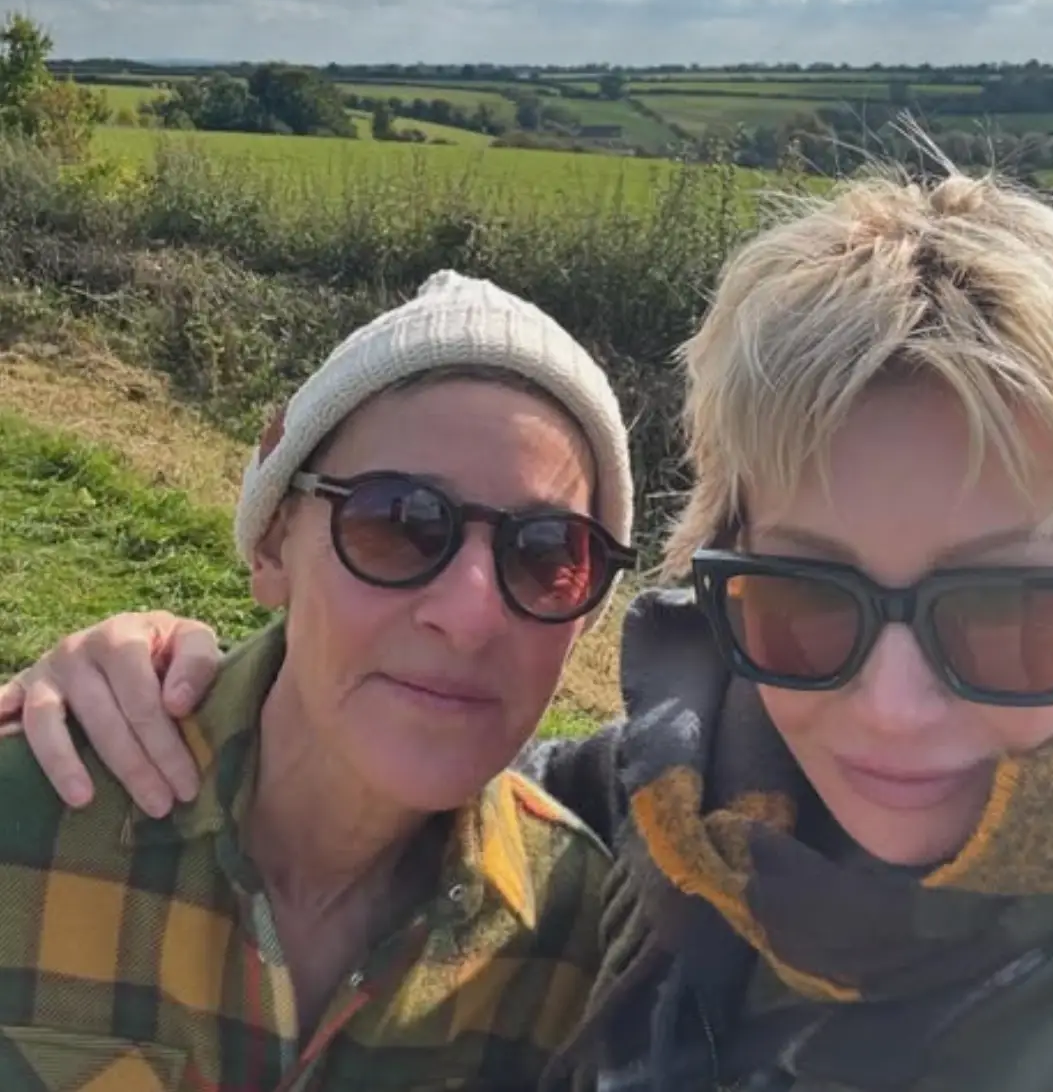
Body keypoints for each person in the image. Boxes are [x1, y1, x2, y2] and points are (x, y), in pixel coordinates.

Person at [11, 166, 1053, 1092]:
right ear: (271, 538)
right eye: (398, 525)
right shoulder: (641, 841)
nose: (894, 707)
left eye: (1011, 616)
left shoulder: (582, 904)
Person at [0, 269, 639, 1091]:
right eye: (400, 523)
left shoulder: (578, 945)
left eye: (549, 553)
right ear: (271, 544)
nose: (472, 614)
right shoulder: (28, 823)